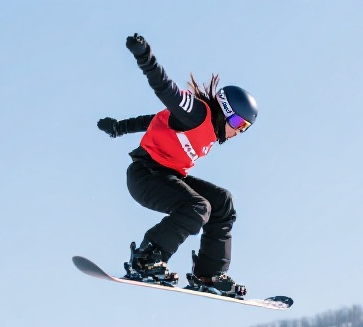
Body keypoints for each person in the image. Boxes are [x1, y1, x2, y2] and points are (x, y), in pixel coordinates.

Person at [97, 33, 258, 298]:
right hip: (145, 175)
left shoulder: (206, 128)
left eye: (246, 129)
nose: (240, 132)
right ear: (227, 111)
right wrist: (145, 57)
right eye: (240, 124)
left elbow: (154, 120)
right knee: (198, 206)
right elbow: (165, 89)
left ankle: (209, 273)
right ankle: (148, 257)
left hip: (168, 176)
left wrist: (118, 127)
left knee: (221, 202)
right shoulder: (196, 113)